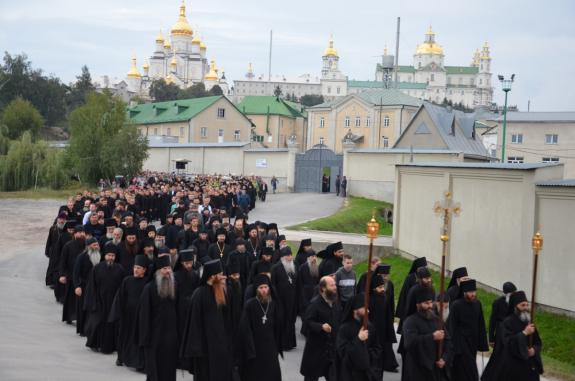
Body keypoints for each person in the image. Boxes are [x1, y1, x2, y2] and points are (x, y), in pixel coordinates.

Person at [180, 259, 238, 380]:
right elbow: (194, 325)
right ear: (212, 276)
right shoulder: (199, 294)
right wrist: (197, 349)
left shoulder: (222, 291)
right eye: (220, 274)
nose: (223, 277)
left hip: (222, 344)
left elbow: (229, 318)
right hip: (205, 347)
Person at [137, 255, 178, 381]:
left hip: (170, 338)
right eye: (165, 268)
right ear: (158, 271)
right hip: (154, 338)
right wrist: (145, 340)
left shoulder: (174, 287)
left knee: (169, 369)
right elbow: (144, 316)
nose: (168, 271)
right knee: (154, 371)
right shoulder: (149, 289)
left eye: (169, 268)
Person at [237, 274, 283, 381]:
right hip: (255, 346)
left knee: (272, 373)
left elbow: (278, 327)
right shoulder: (250, 305)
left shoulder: (273, 304)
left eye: (266, 287)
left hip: (270, 346)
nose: (264, 290)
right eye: (261, 288)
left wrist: (277, 345)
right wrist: (250, 349)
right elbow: (245, 329)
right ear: (256, 289)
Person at [402, 286, 452, 381]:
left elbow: (448, 340)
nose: (430, 306)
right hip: (416, 369)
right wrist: (432, 336)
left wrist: (444, 358)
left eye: (430, 302)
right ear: (417, 305)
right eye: (426, 303)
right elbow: (410, 343)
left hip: (435, 368)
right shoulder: (410, 321)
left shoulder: (437, 320)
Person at [109, 255, 150, 369]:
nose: (136, 270)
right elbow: (120, 297)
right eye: (135, 267)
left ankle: (137, 362)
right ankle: (121, 357)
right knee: (124, 337)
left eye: (139, 268)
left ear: (144, 270)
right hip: (127, 316)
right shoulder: (127, 280)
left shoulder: (147, 283)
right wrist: (117, 313)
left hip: (140, 317)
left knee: (137, 339)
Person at [83, 245, 125, 353]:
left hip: (113, 303)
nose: (110, 258)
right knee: (97, 323)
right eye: (108, 255)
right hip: (99, 301)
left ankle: (109, 347)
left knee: (111, 326)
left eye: (112, 256)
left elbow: (122, 287)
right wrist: (93, 302)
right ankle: (95, 344)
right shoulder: (97, 268)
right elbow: (91, 286)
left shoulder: (120, 269)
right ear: (104, 256)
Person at [494, 290, 543, 381]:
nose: (526, 307)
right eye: (522, 305)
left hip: (530, 367)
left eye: (527, 304)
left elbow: (538, 342)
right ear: (515, 307)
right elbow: (508, 343)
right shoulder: (507, 323)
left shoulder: (529, 322)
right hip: (514, 367)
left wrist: (534, 350)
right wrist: (524, 333)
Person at [300, 276, 342, 381]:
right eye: (332, 285)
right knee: (311, 376)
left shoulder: (335, 301)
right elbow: (307, 322)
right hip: (316, 349)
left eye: (335, 284)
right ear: (323, 288)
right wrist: (321, 326)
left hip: (331, 349)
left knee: (333, 376)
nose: (335, 287)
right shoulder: (315, 304)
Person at [448, 279, 489, 381]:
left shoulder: (477, 304)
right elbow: (451, 326)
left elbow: (481, 324)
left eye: (474, 292)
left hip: (473, 342)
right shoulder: (456, 305)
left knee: (468, 369)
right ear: (464, 292)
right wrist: (455, 346)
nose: (473, 294)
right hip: (460, 344)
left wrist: (482, 344)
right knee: (469, 371)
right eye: (470, 292)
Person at [336, 293, 382, 381]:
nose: (368, 311)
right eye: (364, 308)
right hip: (350, 375)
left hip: (368, 374)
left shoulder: (370, 327)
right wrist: (358, 340)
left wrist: (367, 356)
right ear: (355, 310)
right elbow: (343, 352)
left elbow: (377, 348)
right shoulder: (344, 328)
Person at [481, 281, 517, 381]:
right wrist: (491, 338)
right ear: (507, 294)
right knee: (498, 357)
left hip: (512, 335)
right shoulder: (497, 303)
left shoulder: (517, 304)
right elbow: (492, 321)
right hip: (501, 334)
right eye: (512, 293)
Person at [368, 264, 399, 374]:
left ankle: (388, 364)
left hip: (386, 317)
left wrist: (392, 317)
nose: (385, 278)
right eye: (383, 275)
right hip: (374, 319)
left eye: (387, 275)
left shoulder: (389, 285)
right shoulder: (372, 284)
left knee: (387, 342)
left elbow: (390, 302)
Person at [173, 247, 200, 369]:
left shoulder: (195, 274)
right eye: (186, 263)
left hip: (192, 309)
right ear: (182, 263)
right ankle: (180, 361)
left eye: (190, 263)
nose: (189, 265)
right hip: (180, 310)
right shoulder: (176, 276)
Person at [271, 246, 298, 351]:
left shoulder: (294, 266)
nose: (290, 257)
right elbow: (272, 285)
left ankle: (290, 343)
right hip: (280, 300)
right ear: (282, 257)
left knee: (290, 321)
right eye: (288, 255)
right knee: (282, 321)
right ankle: (281, 344)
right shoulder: (276, 268)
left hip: (292, 300)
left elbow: (297, 283)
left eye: (291, 255)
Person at [73, 237, 101, 336]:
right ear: (88, 246)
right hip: (84, 286)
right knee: (83, 308)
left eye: (97, 245)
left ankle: (92, 329)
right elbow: (76, 273)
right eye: (94, 245)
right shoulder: (81, 257)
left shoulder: (100, 256)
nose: (96, 247)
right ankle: (83, 329)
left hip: (97, 287)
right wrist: (77, 286)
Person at [59, 225, 86, 324]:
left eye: (83, 232)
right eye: (79, 232)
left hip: (83, 277)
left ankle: (80, 317)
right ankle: (69, 317)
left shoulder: (87, 245)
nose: (81, 234)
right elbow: (63, 261)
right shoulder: (68, 245)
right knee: (70, 298)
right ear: (75, 234)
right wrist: (62, 275)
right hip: (70, 276)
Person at [45, 212, 66, 290]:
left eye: (63, 219)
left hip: (62, 251)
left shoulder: (66, 229)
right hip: (53, 251)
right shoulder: (53, 228)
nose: (61, 221)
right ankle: (52, 282)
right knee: (52, 266)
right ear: (57, 219)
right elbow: (49, 240)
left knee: (59, 267)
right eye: (60, 219)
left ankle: (58, 282)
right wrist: (47, 250)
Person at [296, 249, 320, 318]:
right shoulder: (302, 267)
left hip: (315, 294)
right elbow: (299, 283)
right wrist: (302, 297)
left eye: (315, 256)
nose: (314, 258)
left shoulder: (317, 267)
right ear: (308, 258)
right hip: (305, 295)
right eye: (312, 256)